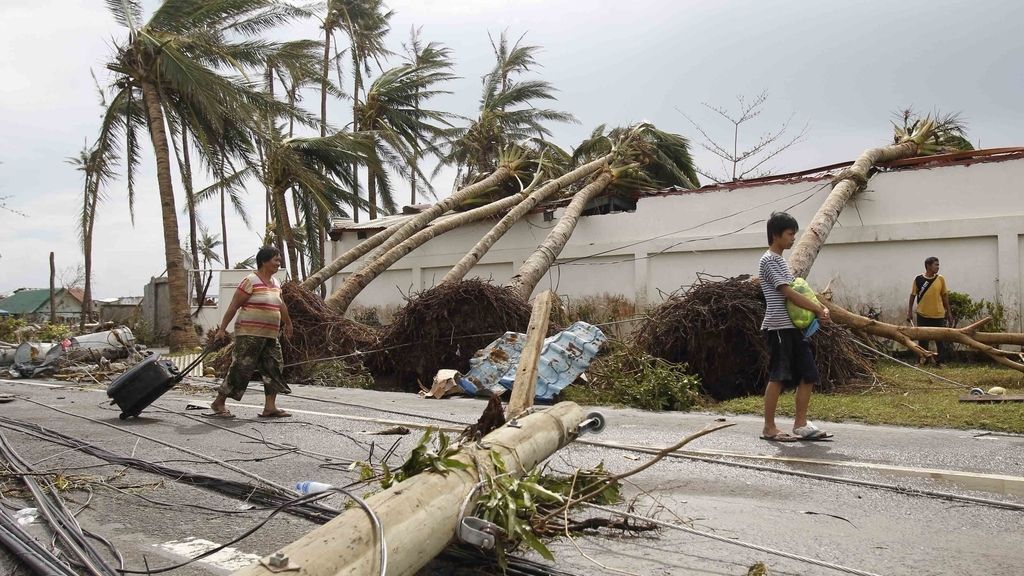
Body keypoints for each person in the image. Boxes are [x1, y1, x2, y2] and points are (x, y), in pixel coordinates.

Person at [758, 212, 832, 442]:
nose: (793, 239)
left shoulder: (780, 261)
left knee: (808, 374)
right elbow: (788, 292)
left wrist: (819, 308)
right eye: (790, 234)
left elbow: (799, 291)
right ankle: (769, 428)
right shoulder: (769, 260)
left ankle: (800, 424)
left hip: (793, 327)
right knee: (778, 376)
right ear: (776, 235)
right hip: (778, 327)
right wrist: (817, 309)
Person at [209, 246, 294, 418]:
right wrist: (222, 330)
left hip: (270, 334)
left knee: (274, 367)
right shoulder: (250, 280)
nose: (279, 263)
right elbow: (234, 306)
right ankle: (219, 403)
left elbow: (281, 305)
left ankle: (270, 407)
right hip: (249, 333)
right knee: (241, 367)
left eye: (279, 260)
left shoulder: (276, 283)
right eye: (275, 260)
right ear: (264, 261)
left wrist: (288, 324)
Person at [906, 256, 952, 366]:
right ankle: (922, 361)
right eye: (936, 265)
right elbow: (912, 296)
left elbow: (944, 296)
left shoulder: (940, 279)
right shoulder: (918, 279)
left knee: (940, 340)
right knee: (922, 340)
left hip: (938, 314)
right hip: (923, 314)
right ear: (928, 266)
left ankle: (940, 362)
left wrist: (948, 312)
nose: (938, 267)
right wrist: (909, 312)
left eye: (938, 265)